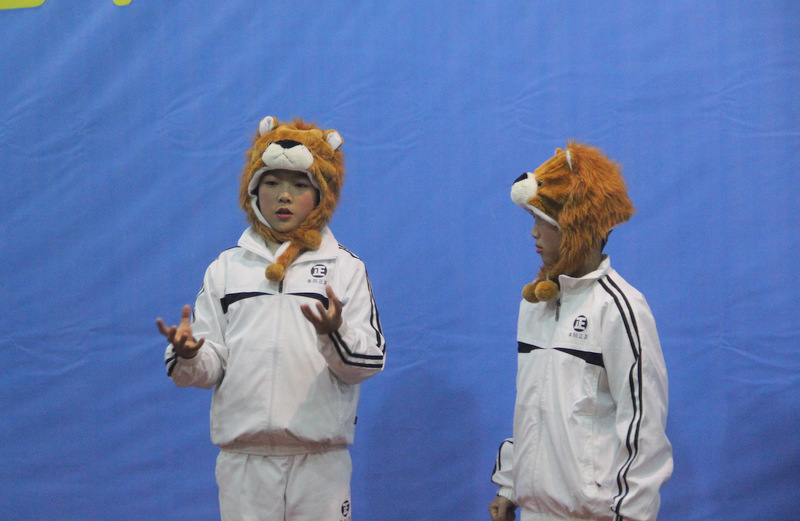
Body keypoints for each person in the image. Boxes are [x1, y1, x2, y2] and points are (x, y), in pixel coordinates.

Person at [157, 116, 386, 521]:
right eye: (272, 182)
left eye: (300, 185)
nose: (284, 195)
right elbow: (208, 367)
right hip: (243, 464)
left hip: (320, 462)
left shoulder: (345, 268)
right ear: (252, 190)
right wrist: (190, 355)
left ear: (321, 196)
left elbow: (366, 363)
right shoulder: (226, 269)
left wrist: (334, 334)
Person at [489, 142, 672, 521]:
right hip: (534, 511)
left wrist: (631, 514)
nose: (533, 234)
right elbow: (531, 405)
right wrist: (510, 484)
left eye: (543, 221)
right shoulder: (535, 303)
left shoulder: (620, 307)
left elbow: (644, 425)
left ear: (576, 228)